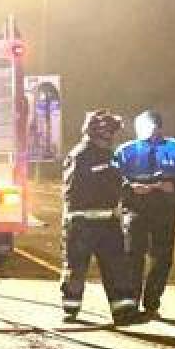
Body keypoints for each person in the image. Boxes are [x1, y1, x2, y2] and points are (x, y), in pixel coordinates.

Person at [112, 109, 175, 316]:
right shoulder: (126, 150)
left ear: (160, 127)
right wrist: (129, 187)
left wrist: (172, 185)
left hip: (165, 210)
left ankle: (152, 301)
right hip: (135, 208)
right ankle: (131, 300)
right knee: (132, 254)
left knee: (162, 257)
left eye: (152, 127)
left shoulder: (174, 147)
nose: (149, 132)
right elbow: (112, 176)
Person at [61, 110, 141, 324]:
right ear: (96, 132)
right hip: (83, 224)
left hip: (107, 223)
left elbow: (118, 184)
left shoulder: (107, 155)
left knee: (117, 268)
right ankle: (71, 308)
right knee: (76, 269)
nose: (111, 138)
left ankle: (123, 312)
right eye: (108, 133)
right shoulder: (81, 155)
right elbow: (75, 191)